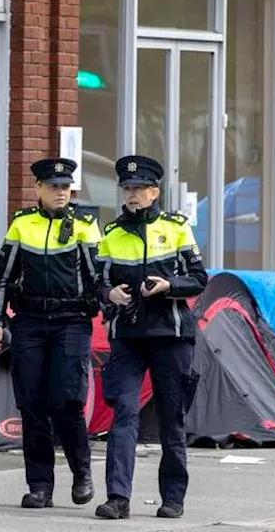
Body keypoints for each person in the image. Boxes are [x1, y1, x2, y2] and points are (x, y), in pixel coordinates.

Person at [93, 154, 207, 521]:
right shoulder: (110, 234)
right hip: (127, 336)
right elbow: (98, 282)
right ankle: (118, 498)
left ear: (154, 191)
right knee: (123, 414)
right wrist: (108, 294)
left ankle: (173, 497)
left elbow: (199, 278)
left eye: (139, 189)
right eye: (127, 188)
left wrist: (169, 285)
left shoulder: (176, 228)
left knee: (171, 417)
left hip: (170, 336)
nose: (132, 195)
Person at [0, 157, 102, 509]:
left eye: (66, 187)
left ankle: (82, 472)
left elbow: (100, 275)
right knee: (32, 404)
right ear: (38, 188)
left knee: (66, 401)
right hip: (31, 320)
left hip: (72, 319)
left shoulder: (85, 223)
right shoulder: (22, 224)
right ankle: (40, 486)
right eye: (53, 187)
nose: (61, 193)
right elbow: (3, 276)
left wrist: (110, 313)